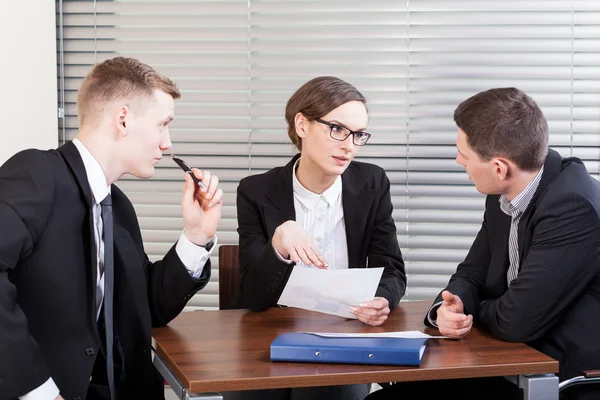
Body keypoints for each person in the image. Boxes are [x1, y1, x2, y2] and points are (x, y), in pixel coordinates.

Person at [0, 57, 223, 400]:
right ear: (123, 119)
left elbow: (145, 307)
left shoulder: (116, 204)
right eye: (163, 125)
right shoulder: (37, 173)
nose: (168, 143)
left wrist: (197, 235)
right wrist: (39, 392)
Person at [366, 87, 600, 400]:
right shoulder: (503, 194)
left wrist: (474, 312)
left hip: (557, 376)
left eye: (464, 154)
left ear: (499, 167)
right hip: (509, 360)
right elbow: (471, 273)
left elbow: (516, 321)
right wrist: (453, 306)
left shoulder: (573, 206)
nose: (458, 159)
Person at [228, 76, 406, 400]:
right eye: (337, 129)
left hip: (343, 334)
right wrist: (279, 245)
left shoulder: (373, 183)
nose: (349, 145)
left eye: (358, 135)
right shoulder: (256, 191)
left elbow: (391, 269)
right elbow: (252, 296)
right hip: (270, 333)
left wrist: (381, 301)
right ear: (302, 125)